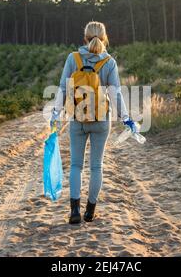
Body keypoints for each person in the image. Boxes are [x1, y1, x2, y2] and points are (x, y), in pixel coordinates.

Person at [51, 21, 137, 224]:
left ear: (85, 37)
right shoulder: (109, 62)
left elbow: (63, 88)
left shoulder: (73, 58)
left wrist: (55, 115)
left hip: (78, 119)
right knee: (96, 166)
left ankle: (74, 212)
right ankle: (90, 211)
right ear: (104, 38)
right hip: (101, 119)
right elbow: (116, 93)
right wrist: (126, 118)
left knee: (75, 165)